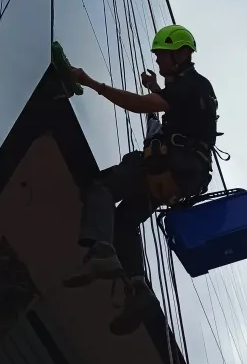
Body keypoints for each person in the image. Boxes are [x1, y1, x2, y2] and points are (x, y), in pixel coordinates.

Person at [65, 25, 218, 336]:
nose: (158, 61)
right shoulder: (196, 89)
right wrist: (156, 86)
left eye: (162, 55)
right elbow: (175, 107)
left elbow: (143, 105)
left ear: (180, 54)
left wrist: (91, 83)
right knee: (124, 221)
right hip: (185, 175)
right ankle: (139, 289)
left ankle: (100, 252)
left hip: (172, 162)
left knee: (99, 186)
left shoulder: (190, 84)